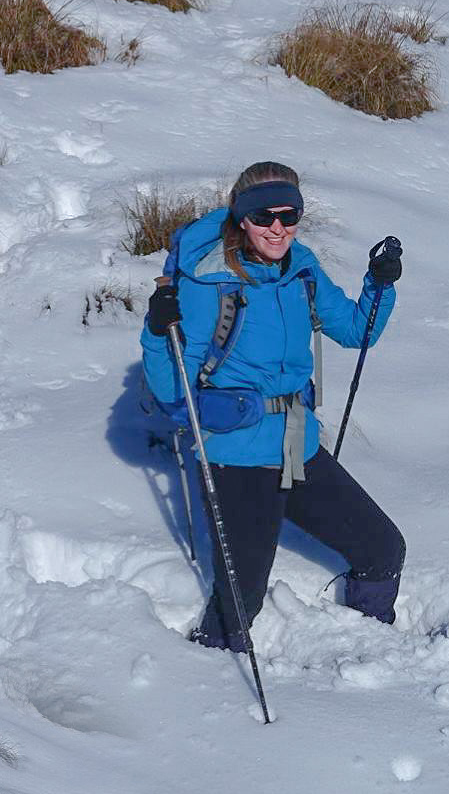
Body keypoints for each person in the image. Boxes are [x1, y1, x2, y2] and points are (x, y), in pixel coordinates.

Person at [140, 161, 405, 652]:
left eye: (289, 214)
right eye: (263, 216)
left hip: (296, 444)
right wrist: (158, 334)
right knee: (241, 598)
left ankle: (372, 652)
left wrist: (379, 283)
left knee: (383, 549)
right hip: (235, 455)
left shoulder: (300, 268)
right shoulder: (206, 283)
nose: (278, 227)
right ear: (241, 218)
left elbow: (354, 331)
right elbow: (173, 388)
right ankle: (211, 672)